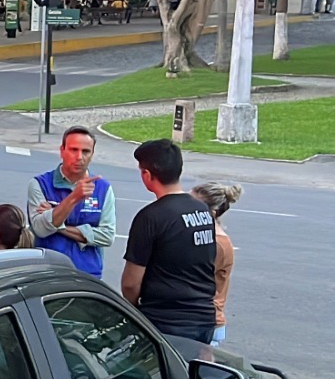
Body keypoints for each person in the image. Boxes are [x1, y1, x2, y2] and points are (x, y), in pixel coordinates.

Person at [120, 140, 217, 343]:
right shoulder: (202, 210)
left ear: (147, 175)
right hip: (204, 317)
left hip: (165, 320)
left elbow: (130, 283)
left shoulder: (151, 217)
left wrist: (132, 312)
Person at [28, 126, 116, 278]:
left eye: (86, 151)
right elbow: (40, 229)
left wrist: (58, 225)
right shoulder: (39, 184)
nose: (79, 157)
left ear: (92, 154)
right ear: (62, 151)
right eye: (73, 150)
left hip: (88, 275)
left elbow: (107, 236)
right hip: (49, 273)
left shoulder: (103, 188)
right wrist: (74, 197)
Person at [191, 181, 243, 346]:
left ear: (211, 213)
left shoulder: (215, 243)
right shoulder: (208, 238)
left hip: (205, 324)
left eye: (192, 205)